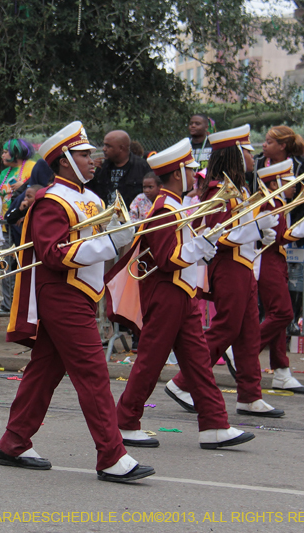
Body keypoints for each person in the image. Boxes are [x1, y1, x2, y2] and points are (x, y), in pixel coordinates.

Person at [0, 121, 154, 483]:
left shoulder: (92, 199)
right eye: (84, 155)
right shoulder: (51, 201)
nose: (93, 160)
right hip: (62, 293)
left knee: (44, 371)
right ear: (65, 160)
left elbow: (96, 246)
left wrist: (123, 236)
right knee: (93, 374)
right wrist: (109, 243)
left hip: (83, 293)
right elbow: (54, 254)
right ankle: (111, 456)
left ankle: (13, 441)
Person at [106, 138, 254, 450]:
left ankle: (214, 424)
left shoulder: (175, 205)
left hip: (182, 292)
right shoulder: (165, 208)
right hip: (167, 293)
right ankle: (125, 421)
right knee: (150, 361)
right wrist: (201, 246)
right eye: (189, 169)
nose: (194, 173)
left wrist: (202, 247)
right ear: (177, 174)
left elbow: (179, 252)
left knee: (198, 363)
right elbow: (166, 258)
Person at [168, 125, 284, 418]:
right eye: (247, 151)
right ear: (236, 154)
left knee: (248, 334)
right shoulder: (219, 190)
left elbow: (239, 229)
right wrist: (255, 229)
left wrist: (261, 233)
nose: (252, 156)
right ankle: (183, 383)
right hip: (229, 265)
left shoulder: (240, 189)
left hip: (244, 264)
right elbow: (216, 235)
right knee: (227, 328)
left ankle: (250, 396)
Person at [256, 161, 304, 393]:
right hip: (268, 261)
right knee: (283, 313)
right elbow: (279, 237)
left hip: (276, 260)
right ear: (275, 184)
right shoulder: (271, 203)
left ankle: (282, 371)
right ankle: (244, 350)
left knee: (278, 316)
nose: (294, 186)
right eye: (288, 182)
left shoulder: (278, 202)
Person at [87, 130, 151, 205]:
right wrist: (88, 170)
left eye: (108, 146)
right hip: (105, 211)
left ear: (121, 148)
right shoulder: (102, 167)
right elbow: (88, 191)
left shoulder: (141, 167)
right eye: (104, 145)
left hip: (131, 212)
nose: (104, 149)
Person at [0, 138, 36, 219]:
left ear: (16, 154)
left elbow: (40, 189)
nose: (2, 155)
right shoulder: (4, 173)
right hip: (4, 219)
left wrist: (23, 186)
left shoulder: (33, 167)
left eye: (5, 152)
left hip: (23, 218)